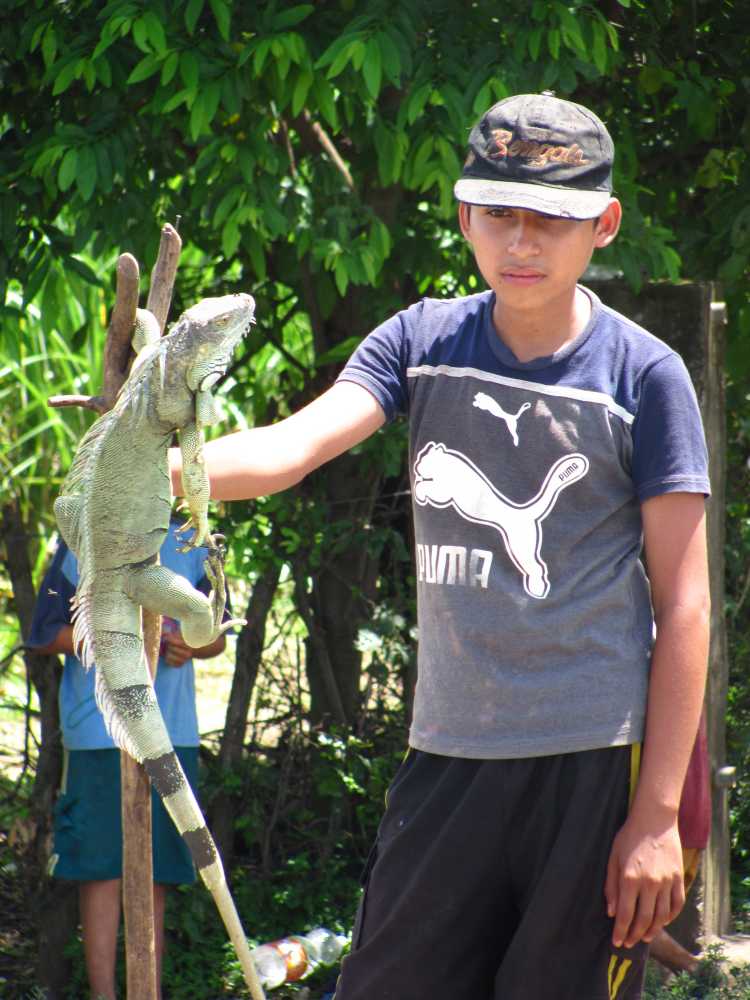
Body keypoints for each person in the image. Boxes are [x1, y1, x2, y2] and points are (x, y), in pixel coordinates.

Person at [171, 92, 711, 1000]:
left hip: (591, 764)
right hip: (448, 754)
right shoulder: (420, 341)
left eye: (552, 219)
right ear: (465, 217)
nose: (521, 242)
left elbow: (686, 603)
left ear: (604, 225)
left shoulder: (644, 376)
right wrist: (156, 472)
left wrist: (656, 815)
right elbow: (290, 449)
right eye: (499, 213)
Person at [29, 517, 230, 1000]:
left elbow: (216, 636)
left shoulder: (192, 539)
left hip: (170, 730)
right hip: (97, 730)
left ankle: (147, 992)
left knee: (157, 870)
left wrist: (187, 644)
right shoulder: (82, 535)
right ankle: (104, 995)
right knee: (100, 868)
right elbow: (46, 632)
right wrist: (113, 640)